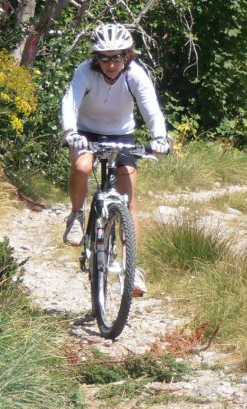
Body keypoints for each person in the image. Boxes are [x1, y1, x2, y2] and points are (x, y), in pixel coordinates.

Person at [60, 22, 169, 297]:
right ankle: (75, 215)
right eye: (104, 57)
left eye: (117, 56)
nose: (111, 64)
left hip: (122, 135)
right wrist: (70, 132)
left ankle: (132, 267)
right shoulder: (85, 71)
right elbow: (70, 101)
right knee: (81, 167)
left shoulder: (135, 74)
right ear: (96, 57)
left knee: (128, 199)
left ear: (127, 54)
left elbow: (151, 108)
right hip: (86, 132)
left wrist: (160, 138)